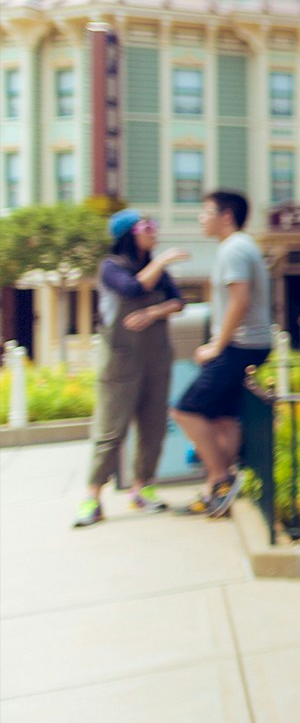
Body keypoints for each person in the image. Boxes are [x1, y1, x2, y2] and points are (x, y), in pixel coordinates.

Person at [73, 210, 188, 528]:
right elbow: (132, 289)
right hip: (120, 360)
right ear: (128, 234)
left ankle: (143, 488)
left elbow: (179, 302)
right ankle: (92, 497)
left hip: (156, 357)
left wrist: (153, 313)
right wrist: (162, 261)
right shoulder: (111, 267)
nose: (154, 231)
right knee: (111, 429)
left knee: (153, 426)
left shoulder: (156, 270)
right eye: (146, 226)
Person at [170, 190, 273, 518]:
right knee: (223, 419)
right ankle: (219, 491)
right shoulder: (241, 246)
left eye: (206, 212)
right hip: (249, 345)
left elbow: (239, 301)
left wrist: (217, 345)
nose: (201, 218)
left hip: (238, 346)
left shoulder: (234, 248)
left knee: (185, 411)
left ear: (226, 216)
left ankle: (219, 479)